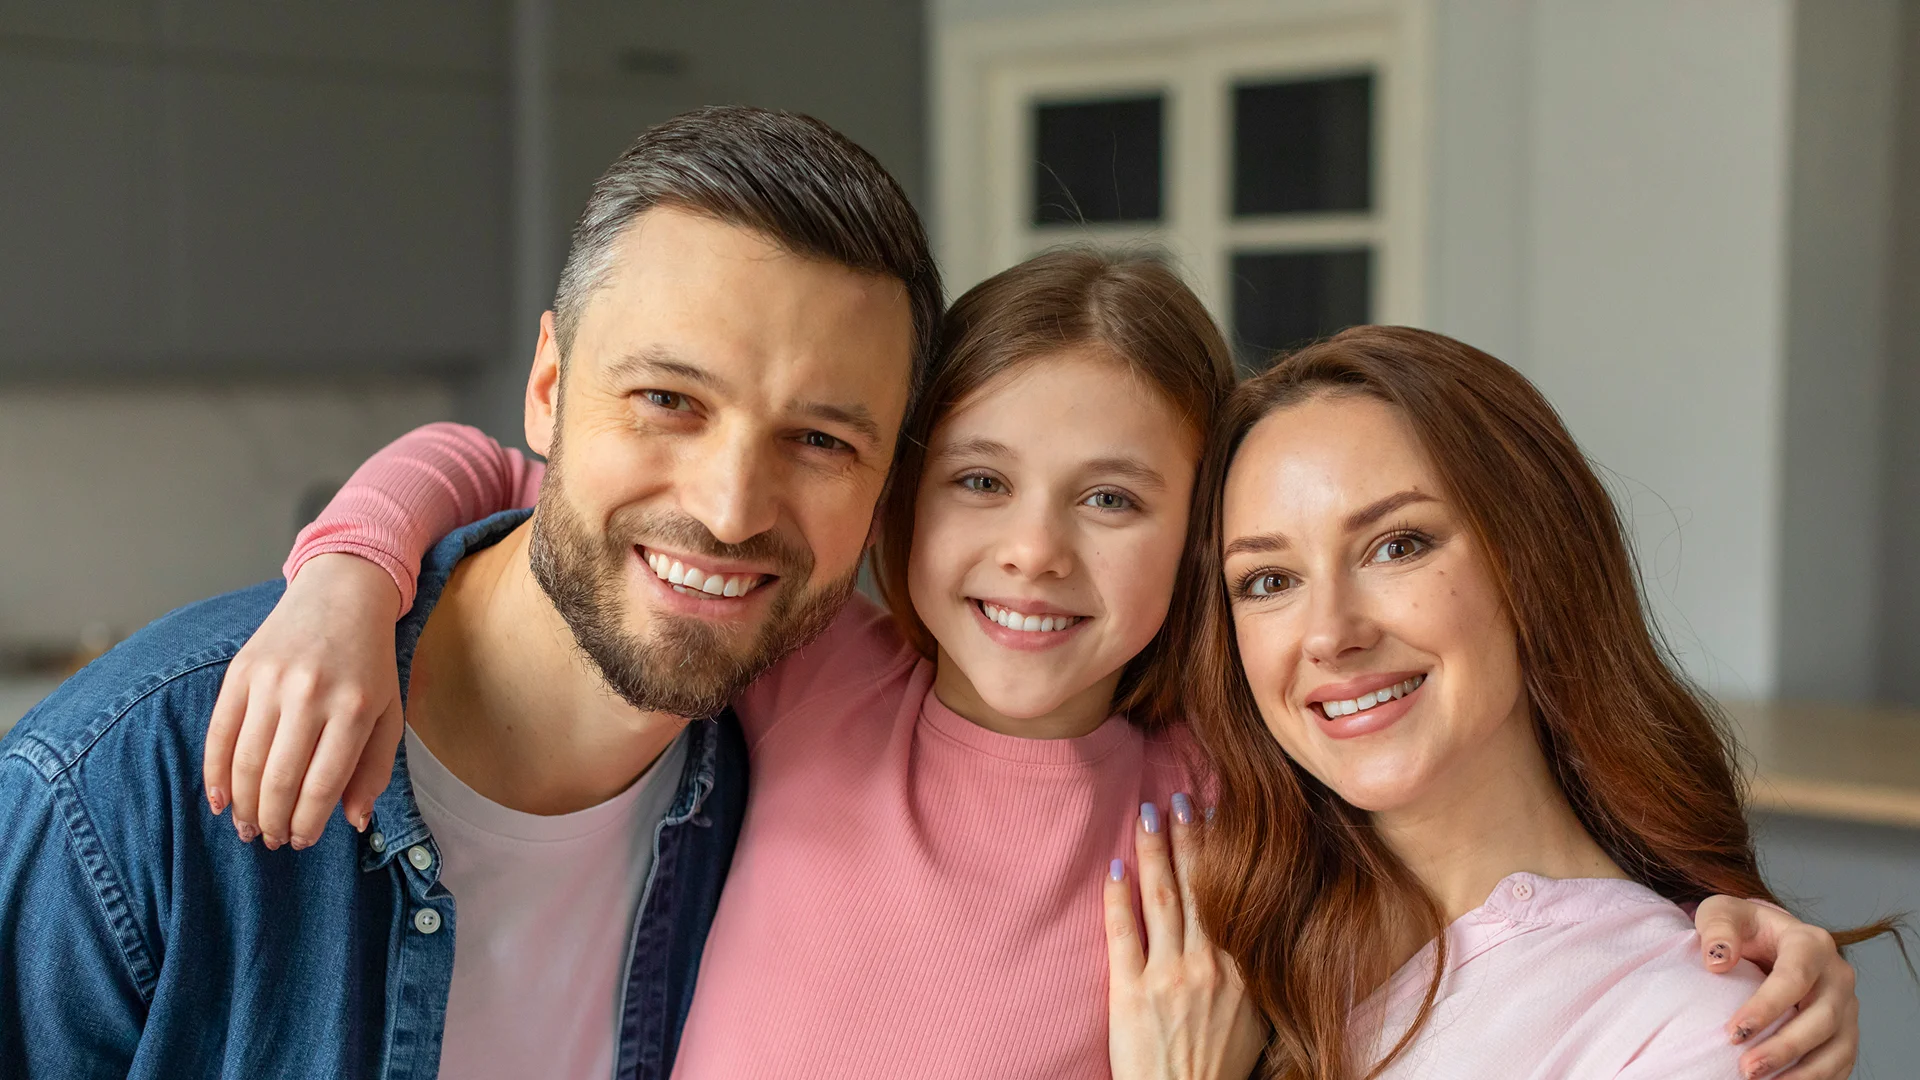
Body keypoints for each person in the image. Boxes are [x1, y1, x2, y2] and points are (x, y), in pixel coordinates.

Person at [205, 286, 1860, 1074]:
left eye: (1117, 500)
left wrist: (1723, 920)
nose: (1034, 557)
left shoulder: (1219, 796)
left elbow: (1492, 880)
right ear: (908, 501)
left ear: (1189, 558)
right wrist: (348, 579)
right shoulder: (816, 671)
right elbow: (512, 475)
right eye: (982, 483)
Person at [0, 105, 942, 1079]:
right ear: (547, 390)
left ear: (882, 501)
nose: (732, 508)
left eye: (823, 442)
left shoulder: (789, 794)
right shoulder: (122, 788)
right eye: (667, 400)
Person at [1144, 326, 1894, 1079]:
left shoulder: (1697, 1027)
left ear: (1533, 560)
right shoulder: (1199, 944)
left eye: (1397, 545)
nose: (1331, 634)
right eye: (1269, 581)